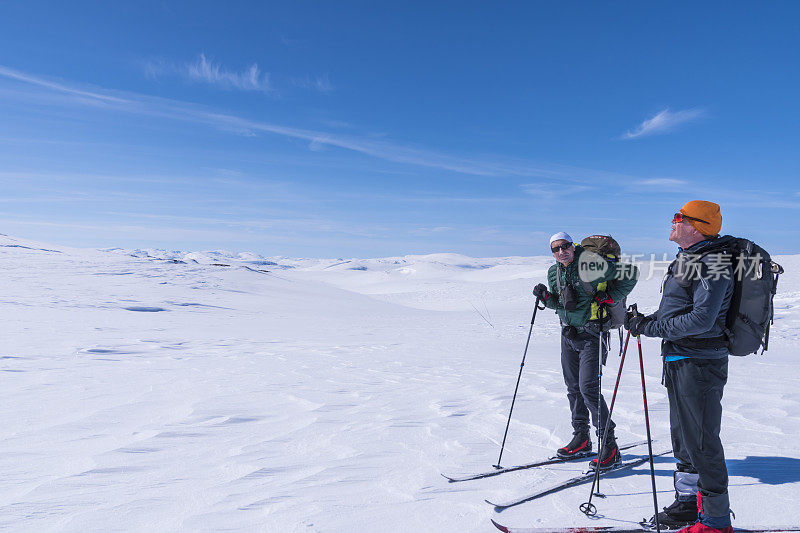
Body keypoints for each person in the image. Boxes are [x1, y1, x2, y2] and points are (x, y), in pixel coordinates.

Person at [625, 200, 734, 533]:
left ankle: (715, 520)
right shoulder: (687, 259)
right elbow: (675, 309)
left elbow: (702, 319)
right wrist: (646, 320)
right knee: (684, 439)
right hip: (679, 359)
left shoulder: (714, 262)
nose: (672, 222)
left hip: (700, 363)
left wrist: (652, 329)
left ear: (696, 226)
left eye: (679, 218)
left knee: (702, 442)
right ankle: (689, 505)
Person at [533, 231, 638, 470]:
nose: (561, 251)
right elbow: (560, 304)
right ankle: (581, 439)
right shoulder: (554, 272)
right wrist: (546, 297)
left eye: (565, 246)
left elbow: (630, 275)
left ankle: (610, 446)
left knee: (588, 389)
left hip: (592, 334)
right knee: (573, 389)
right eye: (555, 248)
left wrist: (611, 297)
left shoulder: (591, 263)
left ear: (573, 245)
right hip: (568, 335)